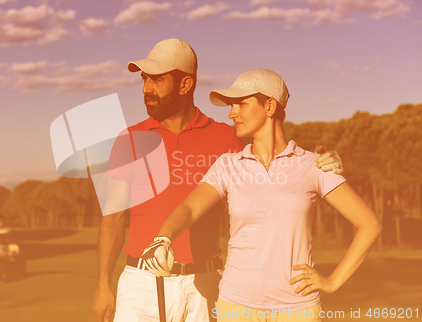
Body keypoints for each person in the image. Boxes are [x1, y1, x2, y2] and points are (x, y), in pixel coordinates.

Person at [92, 40, 344, 322]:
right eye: (144, 80)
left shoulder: (227, 138)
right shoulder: (129, 140)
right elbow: (112, 218)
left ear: (185, 85)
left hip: (207, 282)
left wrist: (320, 160)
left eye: (157, 80)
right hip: (141, 285)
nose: (145, 89)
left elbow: (276, 166)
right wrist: (103, 284)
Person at [141, 68, 383, 321]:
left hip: (298, 309)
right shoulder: (228, 164)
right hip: (235, 307)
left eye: (241, 104)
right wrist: (163, 238)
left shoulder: (313, 165)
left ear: (269, 106)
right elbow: (190, 208)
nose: (232, 113)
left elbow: (369, 224)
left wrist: (333, 281)